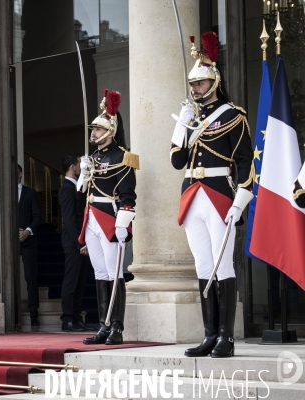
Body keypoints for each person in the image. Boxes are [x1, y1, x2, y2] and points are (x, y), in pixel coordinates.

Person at [170, 32, 254, 358]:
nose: (195, 90)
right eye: (192, 85)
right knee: (203, 265)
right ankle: (208, 335)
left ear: (214, 82)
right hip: (192, 194)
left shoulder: (233, 114)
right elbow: (177, 161)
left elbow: (246, 160)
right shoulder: (192, 117)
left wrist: (242, 197)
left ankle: (226, 338)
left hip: (221, 194)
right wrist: (184, 127)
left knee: (224, 267)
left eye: (200, 84)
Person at [77, 90, 138, 346]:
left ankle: (117, 327)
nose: (93, 133)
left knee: (115, 274)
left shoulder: (123, 157)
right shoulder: (94, 158)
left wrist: (123, 224)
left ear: (110, 131)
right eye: (93, 129)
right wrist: (84, 173)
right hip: (91, 218)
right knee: (100, 273)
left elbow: (128, 196)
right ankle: (104, 324)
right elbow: (84, 190)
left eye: (98, 130)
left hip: (111, 218)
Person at [0, 164, 41, 326]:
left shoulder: (31, 193)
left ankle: (34, 313)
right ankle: (10, 314)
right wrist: (13, 231)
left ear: (20, 173)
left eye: (15, 172)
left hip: (29, 241)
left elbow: (37, 216)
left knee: (30, 277)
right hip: (10, 243)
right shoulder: (3, 194)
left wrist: (27, 231)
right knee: (9, 277)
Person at [58, 154, 93, 332]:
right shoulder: (66, 189)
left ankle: (77, 317)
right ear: (73, 166)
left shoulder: (76, 187)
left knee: (80, 282)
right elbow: (70, 220)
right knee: (71, 281)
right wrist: (80, 244)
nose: (81, 167)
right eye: (79, 164)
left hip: (82, 241)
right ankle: (67, 319)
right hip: (74, 242)